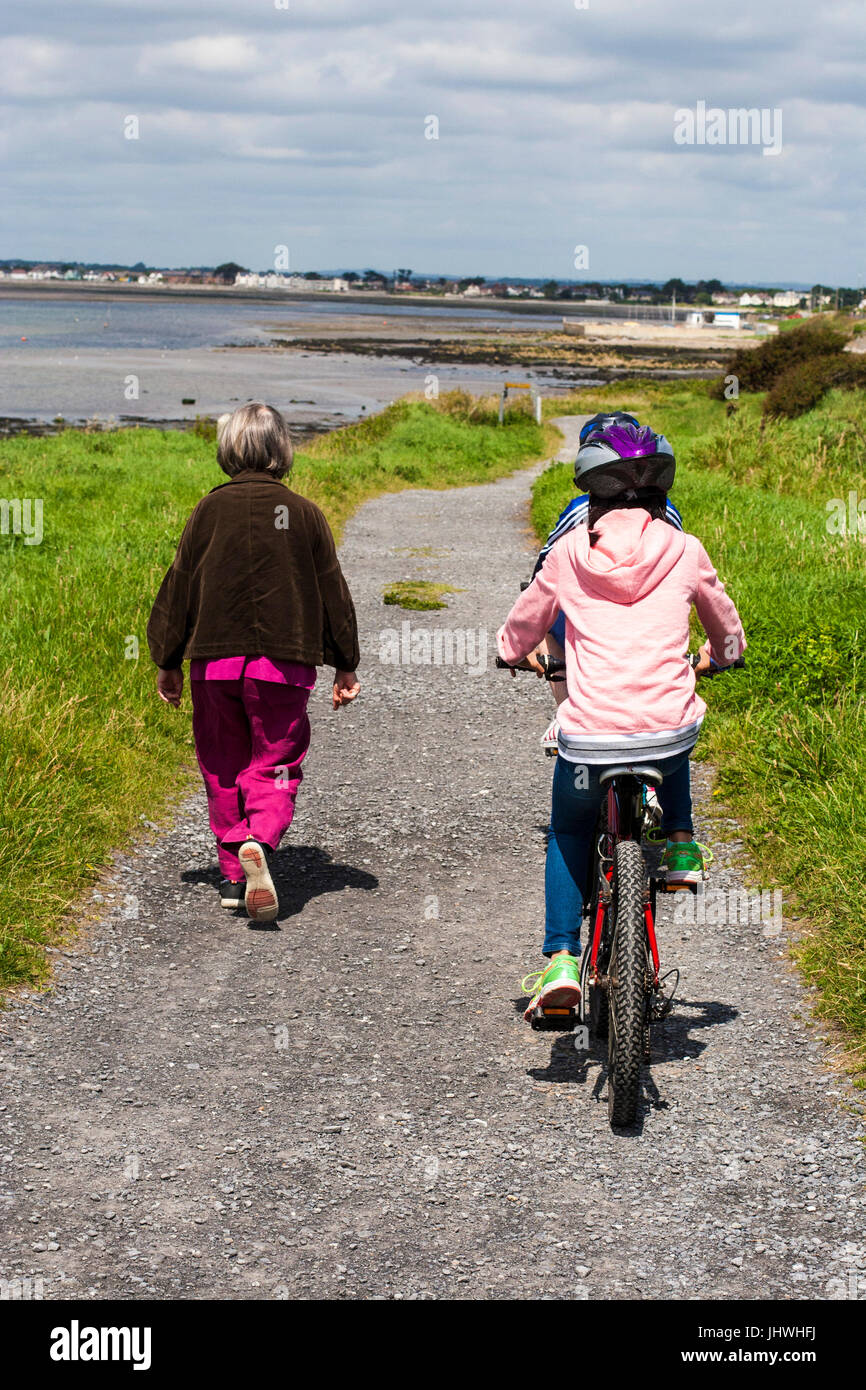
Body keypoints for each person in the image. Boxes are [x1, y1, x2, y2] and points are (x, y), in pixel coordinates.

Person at [497, 422, 745, 1020]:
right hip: (664, 737)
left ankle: (560, 959)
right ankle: (680, 846)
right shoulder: (685, 549)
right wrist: (721, 656)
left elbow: (520, 630)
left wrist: (511, 652)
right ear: (662, 491)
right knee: (674, 721)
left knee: (569, 831)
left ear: (592, 494)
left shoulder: (565, 554)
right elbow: (726, 632)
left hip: (588, 740)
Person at [147, 402, 360, 922]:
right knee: (276, 760)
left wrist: (167, 659)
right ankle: (260, 837)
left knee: (221, 763)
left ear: (228, 450)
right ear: (282, 450)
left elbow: (179, 588)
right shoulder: (304, 513)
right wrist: (345, 663)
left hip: (213, 662)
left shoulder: (206, 511)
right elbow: (332, 590)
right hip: (283, 664)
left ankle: (232, 873)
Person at [529, 412, 685, 749]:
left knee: (549, 615)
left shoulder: (578, 509)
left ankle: (567, 711)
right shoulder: (668, 509)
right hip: (652, 618)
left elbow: (544, 570)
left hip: (591, 616)